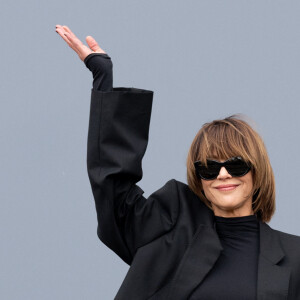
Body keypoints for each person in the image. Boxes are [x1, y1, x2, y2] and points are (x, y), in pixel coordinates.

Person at [56, 25, 300, 300]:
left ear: (257, 172)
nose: (222, 175)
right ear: (199, 179)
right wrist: (103, 80)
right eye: (209, 167)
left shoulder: (294, 256)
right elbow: (114, 196)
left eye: (235, 165)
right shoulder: (171, 230)